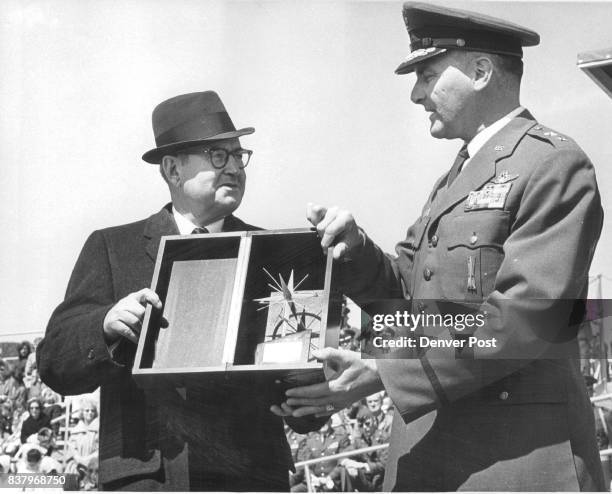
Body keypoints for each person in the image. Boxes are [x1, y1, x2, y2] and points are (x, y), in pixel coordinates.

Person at [273, 2, 605, 491]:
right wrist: (354, 252)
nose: (415, 94)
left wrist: (386, 371)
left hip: (516, 465)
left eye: (427, 75)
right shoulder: (452, 182)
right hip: (435, 461)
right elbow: (410, 303)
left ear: (480, 71)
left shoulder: (554, 164)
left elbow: (523, 320)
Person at [37, 91, 320, 491]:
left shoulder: (274, 254)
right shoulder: (112, 248)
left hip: (252, 477)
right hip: (151, 478)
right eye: (218, 156)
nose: (235, 168)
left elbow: (303, 403)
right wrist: (103, 325)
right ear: (172, 169)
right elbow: (55, 364)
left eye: (239, 156)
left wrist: (314, 387)